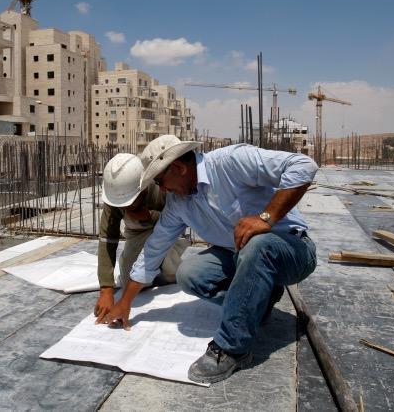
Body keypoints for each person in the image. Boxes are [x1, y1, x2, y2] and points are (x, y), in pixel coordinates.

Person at [103, 135, 318, 384]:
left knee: (257, 245)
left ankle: (233, 347)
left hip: (292, 250)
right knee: (189, 274)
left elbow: (304, 166)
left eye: (160, 181)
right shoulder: (178, 203)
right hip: (241, 256)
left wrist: (266, 217)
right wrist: (126, 301)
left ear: (179, 168)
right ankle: (259, 301)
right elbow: (154, 248)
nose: (161, 190)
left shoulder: (231, 162)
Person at [94, 152, 189, 323]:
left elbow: (180, 221)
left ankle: (167, 269)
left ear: (143, 187)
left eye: (131, 200)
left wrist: (149, 216)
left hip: (168, 232)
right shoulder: (116, 195)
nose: (126, 206)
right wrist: (106, 291)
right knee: (129, 280)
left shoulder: (161, 186)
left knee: (171, 276)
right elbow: (107, 240)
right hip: (136, 234)